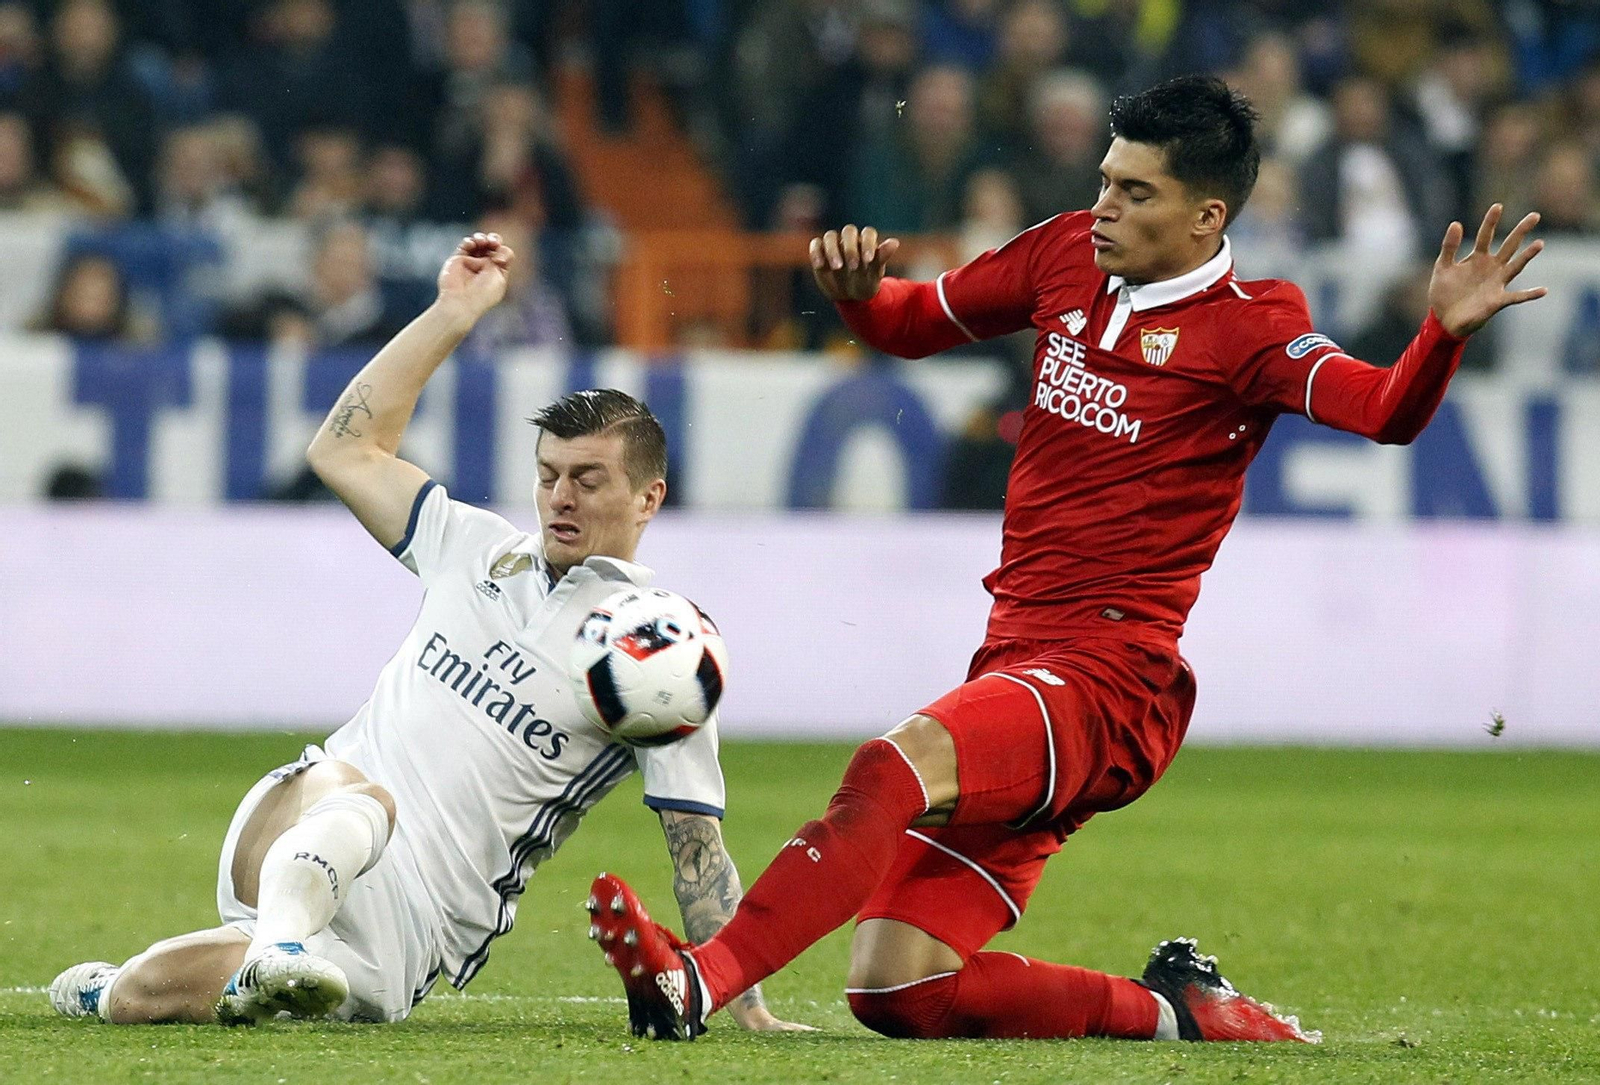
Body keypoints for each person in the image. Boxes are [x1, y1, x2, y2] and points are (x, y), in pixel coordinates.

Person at [586, 76, 1545, 1043]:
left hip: (1110, 680)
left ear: (1208, 216)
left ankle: (696, 983)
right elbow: (916, 323)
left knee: (892, 765)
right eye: (1104, 180)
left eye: (1136, 192)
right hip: (1016, 664)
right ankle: (1188, 1017)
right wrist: (858, 297)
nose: (1104, 206)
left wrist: (1440, 336)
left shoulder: (1253, 325)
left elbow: (1381, 409)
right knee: (898, 990)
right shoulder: (1061, 256)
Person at [48, 232, 803, 1032]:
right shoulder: (472, 546)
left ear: (649, 497)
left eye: (588, 479)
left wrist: (741, 1003)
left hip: (397, 950)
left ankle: (233, 961)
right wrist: (452, 312)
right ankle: (283, 945)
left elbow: (697, 848)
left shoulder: (660, 652)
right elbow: (342, 449)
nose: (560, 498)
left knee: (138, 996)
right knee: (358, 791)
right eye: (547, 476)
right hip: (303, 828)